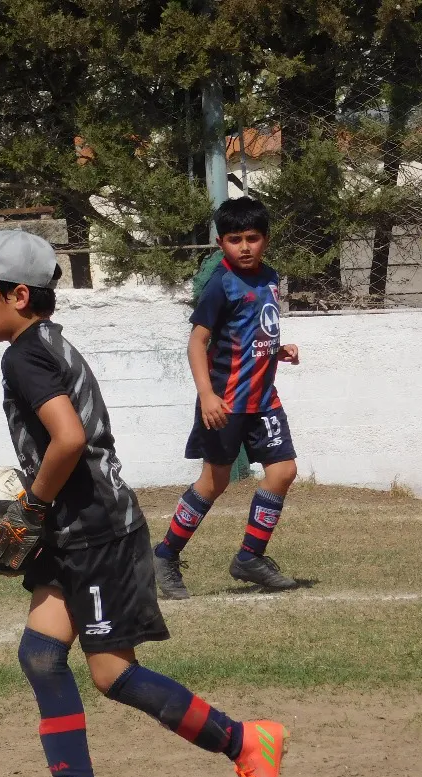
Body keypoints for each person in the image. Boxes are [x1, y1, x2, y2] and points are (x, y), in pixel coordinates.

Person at [0, 230, 286, 777]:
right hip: (72, 530)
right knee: (41, 654)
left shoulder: (25, 355)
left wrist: (30, 509)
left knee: (112, 674)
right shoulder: (43, 342)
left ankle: (245, 742)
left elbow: (69, 439)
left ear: (18, 294)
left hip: (96, 531)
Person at [153, 197, 302, 599]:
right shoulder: (221, 283)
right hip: (226, 402)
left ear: (266, 240)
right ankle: (164, 555)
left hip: (263, 400)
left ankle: (250, 556)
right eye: (235, 239)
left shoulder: (269, 277)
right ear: (222, 244)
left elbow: (253, 332)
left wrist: (277, 349)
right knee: (213, 482)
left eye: (252, 238)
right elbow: (197, 342)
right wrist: (206, 395)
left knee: (283, 471)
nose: (245, 246)